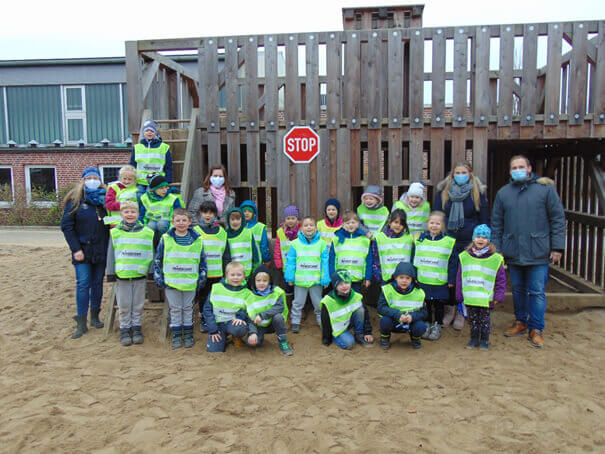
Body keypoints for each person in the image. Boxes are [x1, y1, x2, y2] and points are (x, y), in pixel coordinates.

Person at [491, 155, 565, 348]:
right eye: (514, 167)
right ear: (510, 171)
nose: (518, 169)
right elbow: (497, 223)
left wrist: (557, 247)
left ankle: (536, 328)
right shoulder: (503, 193)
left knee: (537, 291)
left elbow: (557, 219)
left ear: (529, 168)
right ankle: (521, 322)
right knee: (518, 290)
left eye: (521, 166)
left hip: (538, 251)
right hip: (513, 251)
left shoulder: (545, 190)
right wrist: (497, 249)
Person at [61, 166, 109, 338]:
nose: (92, 181)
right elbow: (67, 227)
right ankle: (81, 322)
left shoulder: (105, 201)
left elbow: (112, 223)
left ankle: (95, 317)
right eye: (88, 178)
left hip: (101, 249)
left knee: (97, 283)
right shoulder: (75, 201)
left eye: (94, 178)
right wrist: (76, 249)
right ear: (83, 180)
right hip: (82, 250)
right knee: (83, 284)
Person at [153, 208, 207, 350]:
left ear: (190, 222)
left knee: (188, 308)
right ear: (173, 222)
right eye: (178, 220)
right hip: (172, 282)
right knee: (175, 309)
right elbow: (158, 259)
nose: (181, 223)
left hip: (190, 281)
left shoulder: (197, 240)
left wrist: (201, 278)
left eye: (184, 220)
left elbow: (202, 261)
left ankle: (188, 335)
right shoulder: (166, 239)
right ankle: (177, 335)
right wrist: (159, 277)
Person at [105, 201, 156, 346]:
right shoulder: (115, 232)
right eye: (126, 212)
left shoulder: (147, 232)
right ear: (121, 214)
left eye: (133, 212)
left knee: (138, 304)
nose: (130, 214)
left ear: (138, 214)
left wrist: (151, 270)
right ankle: (125, 329)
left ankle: (136, 328)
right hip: (122, 275)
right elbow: (111, 253)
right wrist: (110, 272)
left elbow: (150, 252)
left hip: (139, 274)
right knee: (124, 305)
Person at [456, 225, 507, 350]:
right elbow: (460, 277)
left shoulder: (495, 259)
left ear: (488, 240)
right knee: (472, 320)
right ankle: (473, 338)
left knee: (484, 320)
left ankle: (484, 340)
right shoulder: (465, 256)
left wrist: (499, 296)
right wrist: (459, 294)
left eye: (484, 237)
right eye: (478, 236)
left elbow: (501, 279)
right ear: (473, 238)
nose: (481, 239)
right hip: (471, 297)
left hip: (485, 298)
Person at [414, 211, 457, 340]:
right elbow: (414, 258)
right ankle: (426, 324)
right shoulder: (419, 239)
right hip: (424, 280)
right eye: (432, 223)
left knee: (438, 305)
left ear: (443, 225)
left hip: (439, 281)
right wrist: (414, 276)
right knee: (425, 303)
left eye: (438, 223)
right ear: (427, 224)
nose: (434, 226)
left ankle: (437, 325)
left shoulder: (448, 242)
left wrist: (451, 279)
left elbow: (453, 262)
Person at [285, 216, 330, 333]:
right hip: (300, 281)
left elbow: (325, 263)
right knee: (297, 303)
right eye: (306, 225)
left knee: (318, 303)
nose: (309, 227)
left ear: (316, 228)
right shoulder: (295, 244)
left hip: (316, 281)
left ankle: (322, 322)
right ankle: (295, 321)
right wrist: (289, 277)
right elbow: (290, 262)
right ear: (301, 228)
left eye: (311, 225)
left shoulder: (322, 244)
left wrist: (325, 279)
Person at [193, 201, 230, 332]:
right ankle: (204, 319)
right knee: (203, 297)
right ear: (200, 214)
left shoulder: (221, 232)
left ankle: (215, 319)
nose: (207, 215)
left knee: (215, 297)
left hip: (218, 273)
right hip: (203, 273)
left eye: (210, 212)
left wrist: (226, 271)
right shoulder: (195, 231)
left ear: (215, 214)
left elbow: (226, 254)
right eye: (205, 212)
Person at [377, 262, 428, 350]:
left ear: (412, 279)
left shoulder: (419, 292)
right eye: (401, 277)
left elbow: (424, 313)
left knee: (421, 326)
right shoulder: (387, 289)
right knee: (384, 320)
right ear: (395, 277)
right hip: (394, 321)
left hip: (410, 322)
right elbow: (381, 308)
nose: (404, 281)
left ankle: (415, 339)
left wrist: (412, 317)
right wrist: (397, 314)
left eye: (408, 278)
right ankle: (385, 338)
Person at [245, 265, 293, 356]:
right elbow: (249, 317)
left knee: (278, 317)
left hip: (272, 323)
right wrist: (253, 333)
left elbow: (280, 307)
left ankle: (283, 342)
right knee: (253, 343)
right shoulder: (249, 296)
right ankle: (257, 336)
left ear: (269, 281)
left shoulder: (277, 292)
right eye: (258, 281)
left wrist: (262, 315)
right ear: (254, 281)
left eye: (265, 281)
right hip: (258, 325)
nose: (261, 283)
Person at [204, 261, 251, 353]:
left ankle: (236, 337)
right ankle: (222, 337)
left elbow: (248, 308)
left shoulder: (247, 292)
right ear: (226, 275)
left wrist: (240, 317)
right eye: (232, 275)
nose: (236, 278)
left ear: (244, 276)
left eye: (239, 275)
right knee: (213, 351)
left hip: (233, 323)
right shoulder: (216, 288)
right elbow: (207, 309)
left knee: (239, 328)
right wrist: (213, 329)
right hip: (218, 325)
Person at [320, 270, 373, 349]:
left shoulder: (355, 296)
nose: (344, 286)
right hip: (337, 327)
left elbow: (365, 313)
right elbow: (325, 321)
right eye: (340, 284)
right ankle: (336, 336)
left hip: (348, 321)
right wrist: (326, 338)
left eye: (347, 283)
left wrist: (367, 332)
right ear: (335, 286)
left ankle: (359, 334)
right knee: (349, 344)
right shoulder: (328, 301)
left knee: (360, 309)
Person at [329, 210, 372, 293]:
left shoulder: (365, 240)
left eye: (353, 222)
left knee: (355, 301)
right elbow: (332, 260)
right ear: (343, 224)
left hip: (357, 278)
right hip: (341, 279)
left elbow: (369, 260)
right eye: (347, 223)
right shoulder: (336, 239)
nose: (350, 225)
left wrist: (367, 277)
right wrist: (332, 276)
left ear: (358, 223)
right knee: (341, 301)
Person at [130, 119, 172, 199]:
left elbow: (168, 166)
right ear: (143, 133)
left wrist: (168, 180)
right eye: (147, 131)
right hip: (140, 180)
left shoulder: (164, 147)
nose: (149, 133)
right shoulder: (137, 147)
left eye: (152, 131)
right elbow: (132, 165)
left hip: (156, 180)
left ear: (155, 133)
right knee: (138, 197)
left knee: (150, 197)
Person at [371, 209, 415, 285]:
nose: (398, 225)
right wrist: (378, 276)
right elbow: (375, 259)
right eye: (396, 222)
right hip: (386, 279)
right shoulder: (379, 238)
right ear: (390, 222)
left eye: (401, 224)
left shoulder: (409, 238)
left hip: (405, 280)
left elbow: (412, 258)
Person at [225, 207, 259, 278]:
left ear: (242, 220)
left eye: (238, 219)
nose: (235, 222)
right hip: (232, 275)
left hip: (247, 273)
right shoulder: (225, 234)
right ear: (228, 220)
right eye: (232, 219)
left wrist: (255, 267)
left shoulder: (248, 233)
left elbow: (254, 251)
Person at [274, 205, 300, 295]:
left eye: (293, 218)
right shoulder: (280, 231)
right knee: (288, 286)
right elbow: (277, 248)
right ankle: (289, 305)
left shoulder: (301, 231)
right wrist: (278, 261)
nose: (290, 220)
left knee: (299, 287)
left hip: (299, 265)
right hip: (286, 265)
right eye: (288, 218)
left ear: (297, 219)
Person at [240, 200, 271, 267]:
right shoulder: (238, 227)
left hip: (256, 262)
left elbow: (264, 246)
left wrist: (266, 259)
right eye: (244, 211)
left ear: (254, 213)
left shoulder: (260, 227)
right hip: (240, 263)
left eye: (249, 211)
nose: (246, 213)